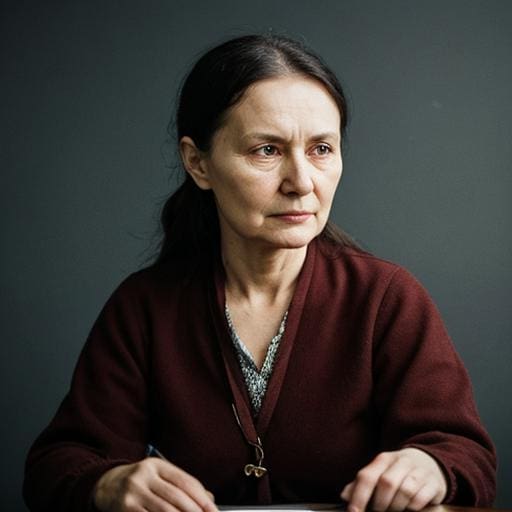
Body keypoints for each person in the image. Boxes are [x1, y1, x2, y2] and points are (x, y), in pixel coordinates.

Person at [23, 34, 496, 512]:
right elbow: (56, 465)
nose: (301, 182)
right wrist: (107, 484)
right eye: (267, 150)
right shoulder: (145, 308)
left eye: (321, 149)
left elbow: (467, 455)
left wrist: (432, 466)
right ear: (198, 162)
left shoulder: (386, 299)